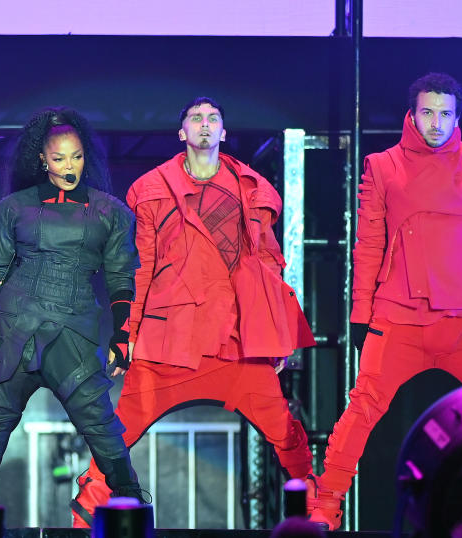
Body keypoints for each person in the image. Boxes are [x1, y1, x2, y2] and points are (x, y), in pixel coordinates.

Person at [69, 96, 316, 528]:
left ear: (224, 132)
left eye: (213, 118)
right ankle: (83, 516)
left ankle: (318, 512)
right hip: (171, 341)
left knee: (284, 431)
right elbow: (138, 269)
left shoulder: (251, 189)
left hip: (236, 341)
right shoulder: (152, 190)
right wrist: (125, 335)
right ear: (182, 133)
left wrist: (274, 334)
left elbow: (270, 265)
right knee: (118, 432)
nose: (205, 125)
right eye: (196, 119)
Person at [307, 73, 462, 531]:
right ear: (412, 113)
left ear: (458, 117)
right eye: (427, 112)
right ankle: (323, 509)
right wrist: (361, 314)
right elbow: (368, 246)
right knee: (361, 409)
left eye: (445, 114)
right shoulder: (383, 165)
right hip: (400, 315)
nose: (436, 123)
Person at [0, 107, 145, 528]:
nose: (69, 167)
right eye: (59, 158)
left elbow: (120, 278)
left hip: (73, 330)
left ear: (86, 157)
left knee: (99, 421)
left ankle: (132, 504)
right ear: (42, 158)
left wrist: (121, 336)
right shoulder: (12, 208)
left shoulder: (110, 212)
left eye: (76, 157)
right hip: (14, 325)